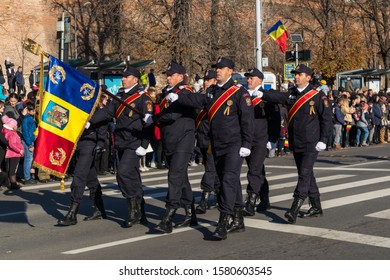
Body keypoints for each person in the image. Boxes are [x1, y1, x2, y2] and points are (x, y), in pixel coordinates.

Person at [160, 57, 254, 240]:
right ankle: (239, 218)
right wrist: (179, 96)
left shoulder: (239, 93)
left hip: (234, 145)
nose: (217, 70)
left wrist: (247, 144)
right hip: (216, 144)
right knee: (226, 182)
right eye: (216, 68)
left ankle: (222, 222)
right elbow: (198, 100)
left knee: (228, 180)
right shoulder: (212, 92)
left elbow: (247, 121)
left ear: (230, 71)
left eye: (221, 68)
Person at [258, 64, 332, 224]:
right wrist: (261, 93)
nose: (296, 76)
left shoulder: (318, 97)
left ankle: (295, 207)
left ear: (308, 77)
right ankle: (316, 206)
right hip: (296, 141)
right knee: (306, 174)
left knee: (304, 173)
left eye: (299, 74)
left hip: (312, 142)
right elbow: (277, 96)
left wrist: (323, 140)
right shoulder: (291, 95)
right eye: (295, 74)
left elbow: (326, 120)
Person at [89, 66, 153, 228]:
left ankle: (133, 211)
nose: (123, 79)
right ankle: (141, 210)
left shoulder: (142, 97)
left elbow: (149, 123)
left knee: (123, 173)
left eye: (126, 76)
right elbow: (107, 113)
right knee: (133, 177)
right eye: (123, 76)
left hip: (135, 143)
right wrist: (90, 121)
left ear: (135, 80)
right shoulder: (119, 96)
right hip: (122, 142)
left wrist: (144, 145)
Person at [143, 61, 198, 234]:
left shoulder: (185, 92)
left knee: (174, 175)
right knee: (181, 177)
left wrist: (156, 118)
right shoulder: (168, 93)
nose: (167, 77)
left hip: (183, 139)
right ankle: (190, 213)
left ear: (180, 77)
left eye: (171, 75)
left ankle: (168, 215)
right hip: (170, 140)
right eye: (167, 75)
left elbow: (174, 114)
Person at [57, 106, 108, 226]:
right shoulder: (76, 105)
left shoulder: (95, 108)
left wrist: (101, 141)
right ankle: (99, 209)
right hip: (77, 143)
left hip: (89, 143)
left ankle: (72, 213)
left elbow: (103, 121)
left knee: (79, 176)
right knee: (91, 179)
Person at [242, 67, 280, 216]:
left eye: (251, 78)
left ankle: (251, 201)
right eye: (248, 78)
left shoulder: (266, 96)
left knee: (254, 170)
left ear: (260, 80)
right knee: (258, 170)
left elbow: (275, 119)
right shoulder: (244, 96)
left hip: (261, 139)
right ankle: (265, 199)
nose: (248, 80)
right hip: (247, 139)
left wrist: (272, 139)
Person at [195, 69, 220, 214]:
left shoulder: (215, 97)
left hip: (212, 139)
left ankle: (204, 199)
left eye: (208, 80)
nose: (205, 82)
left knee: (210, 169)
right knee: (211, 168)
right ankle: (218, 195)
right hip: (202, 139)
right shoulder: (201, 97)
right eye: (205, 80)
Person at [1, 115, 24, 190]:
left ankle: (10, 183)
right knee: (13, 169)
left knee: (9, 168)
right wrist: (19, 150)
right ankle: (13, 184)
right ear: (13, 126)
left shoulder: (5, 131)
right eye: (16, 125)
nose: (17, 126)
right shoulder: (12, 134)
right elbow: (12, 144)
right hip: (14, 153)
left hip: (9, 153)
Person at [21, 102, 37, 185]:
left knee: (29, 159)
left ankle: (28, 177)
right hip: (28, 142)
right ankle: (27, 178)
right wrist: (29, 144)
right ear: (29, 111)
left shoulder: (29, 118)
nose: (34, 112)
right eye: (33, 111)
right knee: (28, 159)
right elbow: (25, 132)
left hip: (30, 140)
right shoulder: (26, 119)